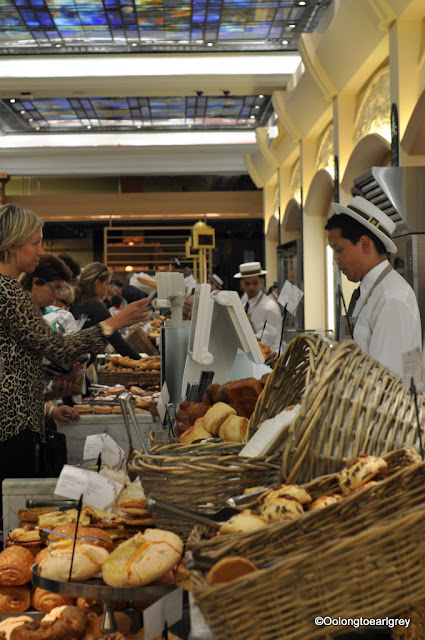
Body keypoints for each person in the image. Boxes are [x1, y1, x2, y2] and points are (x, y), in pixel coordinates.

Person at [0, 204, 149, 504]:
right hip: (13, 425)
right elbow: (56, 347)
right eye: (35, 242)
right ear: (13, 245)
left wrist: (49, 392)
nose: (40, 251)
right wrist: (114, 323)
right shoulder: (8, 291)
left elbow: (17, 360)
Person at [325, 196, 422, 379]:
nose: (336, 260)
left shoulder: (391, 298)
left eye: (339, 250)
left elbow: (386, 385)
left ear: (364, 244)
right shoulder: (369, 291)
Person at [71, 263, 143, 360]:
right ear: (97, 283)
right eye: (107, 284)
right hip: (83, 365)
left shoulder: (73, 301)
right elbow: (118, 342)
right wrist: (141, 361)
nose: (108, 288)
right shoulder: (96, 307)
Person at [234, 261, 282, 351]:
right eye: (247, 284)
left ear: (262, 282)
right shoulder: (244, 305)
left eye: (255, 283)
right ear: (242, 284)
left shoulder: (272, 307)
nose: (251, 287)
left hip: (268, 360)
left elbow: (270, 338)